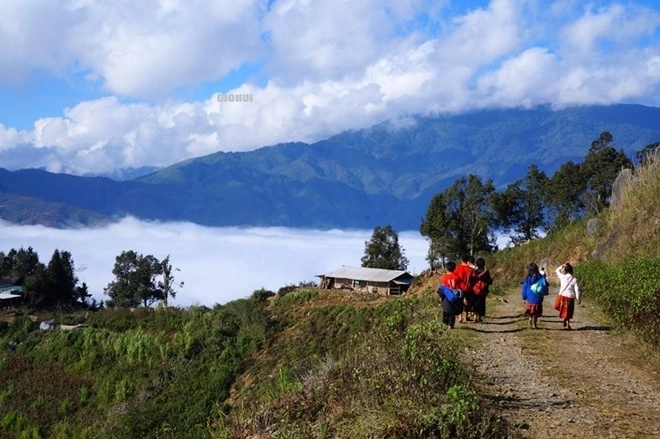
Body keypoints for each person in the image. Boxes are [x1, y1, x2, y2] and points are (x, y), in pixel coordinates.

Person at [437, 261, 464, 329]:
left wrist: (441, 298)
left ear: (446, 268)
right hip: (454, 296)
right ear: (454, 268)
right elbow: (460, 287)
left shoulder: (445, 277)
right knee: (452, 311)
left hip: (447, 296)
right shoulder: (457, 277)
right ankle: (450, 324)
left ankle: (446, 323)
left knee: (446, 310)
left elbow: (443, 288)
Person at [521, 262, 548, 329]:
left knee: (531, 310)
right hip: (538, 297)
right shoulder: (540, 277)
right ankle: (534, 325)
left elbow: (524, 289)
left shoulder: (527, 279)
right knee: (535, 313)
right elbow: (546, 284)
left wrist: (524, 297)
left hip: (530, 298)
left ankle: (530, 318)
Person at [555, 262, 581, 330]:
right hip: (570, 297)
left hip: (563, 296)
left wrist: (562, 265)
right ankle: (568, 323)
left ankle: (564, 319)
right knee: (569, 311)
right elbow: (577, 289)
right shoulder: (574, 279)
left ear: (565, 270)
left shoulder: (562, 277)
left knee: (564, 309)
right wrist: (578, 298)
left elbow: (557, 270)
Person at [454, 254, 477, 323]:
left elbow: (455, 277)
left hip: (459, 288)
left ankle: (460, 318)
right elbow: (474, 277)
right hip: (468, 288)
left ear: (461, 260)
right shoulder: (470, 269)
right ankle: (466, 317)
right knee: (468, 303)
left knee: (460, 303)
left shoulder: (458, 268)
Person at [471, 257, 493, 323]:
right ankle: (479, 317)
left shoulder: (474, 271)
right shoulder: (486, 271)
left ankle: (475, 317)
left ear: (477, 264)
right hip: (483, 290)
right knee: (481, 303)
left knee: (475, 303)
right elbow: (489, 280)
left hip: (474, 289)